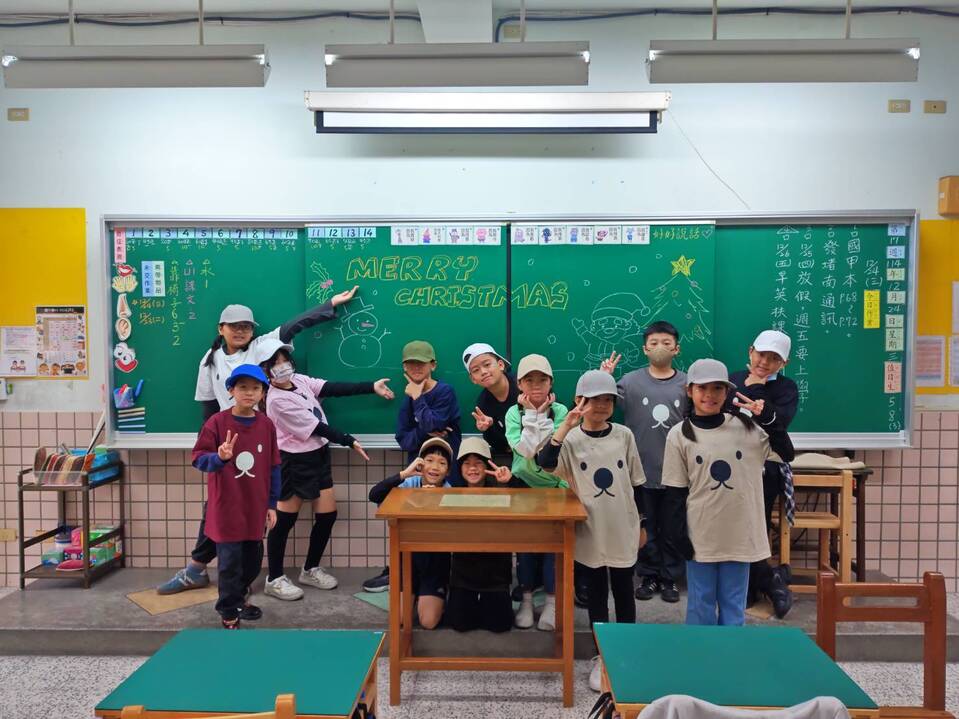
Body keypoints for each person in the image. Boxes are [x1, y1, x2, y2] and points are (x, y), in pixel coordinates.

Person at [158, 288, 359, 595]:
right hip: (227, 443)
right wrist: (210, 447)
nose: (241, 331)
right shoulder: (209, 361)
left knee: (256, 506)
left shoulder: (261, 347)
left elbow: (294, 325)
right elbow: (208, 408)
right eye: (234, 326)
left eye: (246, 326)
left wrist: (329, 304)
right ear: (221, 329)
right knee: (219, 507)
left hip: (260, 439)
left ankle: (240, 577)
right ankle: (200, 571)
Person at [661, 358, 794, 627]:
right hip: (701, 535)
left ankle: (731, 651)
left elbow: (786, 453)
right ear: (689, 391)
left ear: (727, 392)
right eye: (702, 388)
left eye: (717, 388)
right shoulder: (679, 434)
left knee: (734, 604)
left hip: (739, 535)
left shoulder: (747, 428)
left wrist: (769, 419)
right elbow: (675, 491)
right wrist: (678, 535)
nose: (709, 395)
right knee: (701, 603)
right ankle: (701, 652)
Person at [259, 340, 394, 600]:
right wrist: (348, 440)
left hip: (318, 455)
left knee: (327, 515)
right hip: (294, 461)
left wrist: (371, 386)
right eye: (275, 363)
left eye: (284, 360)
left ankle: (310, 569)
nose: (282, 366)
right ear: (265, 369)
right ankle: (274, 578)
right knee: (284, 521)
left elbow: (331, 388)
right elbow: (315, 426)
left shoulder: (298, 380)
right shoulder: (276, 400)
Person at [537, 370, 645, 692]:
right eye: (594, 399)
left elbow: (638, 483)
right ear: (579, 401)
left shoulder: (624, 435)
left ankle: (627, 651)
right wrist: (564, 427)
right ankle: (602, 655)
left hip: (623, 525)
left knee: (624, 591)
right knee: (596, 594)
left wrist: (643, 524)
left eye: (608, 400)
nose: (601, 405)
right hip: (590, 529)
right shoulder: (570, 439)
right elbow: (544, 463)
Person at [363, 340, 461, 593]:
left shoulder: (444, 392)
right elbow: (404, 439)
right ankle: (400, 571)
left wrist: (418, 398)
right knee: (407, 524)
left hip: (444, 473)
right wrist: (426, 430)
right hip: (416, 472)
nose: (416, 367)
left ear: (433, 365)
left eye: (421, 363)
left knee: (438, 528)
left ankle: (438, 579)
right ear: (404, 366)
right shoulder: (408, 398)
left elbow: (432, 424)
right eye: (410, 363)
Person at [600, 321, 688, 604]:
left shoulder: (688, 384)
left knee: (673, 528)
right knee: (645, 528)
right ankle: (648, 576)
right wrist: (604, 378)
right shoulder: (629, 382)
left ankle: (670, 578)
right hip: (638, 472)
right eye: (654, 343)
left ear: (676, 349)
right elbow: (601, 405)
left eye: (666, 343)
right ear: (644, 349)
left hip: (676, 473)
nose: (660, 347)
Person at [191, 364, 280, 629]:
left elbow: (274, 466)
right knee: (229, 563)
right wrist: (219, 457)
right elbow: (198, 458)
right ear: (231, 390)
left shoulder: (266, 425)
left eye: (255, 388)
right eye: (242, 387)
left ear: (263, 393)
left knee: (252, 562)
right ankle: (228, 610)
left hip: (255, 507)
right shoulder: (217, 423)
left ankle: (239, 598)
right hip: (226, 507)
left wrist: (272, 504)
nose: (249, 393)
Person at [725, 329, 799, 619]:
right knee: (731, 525)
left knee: (756, 526)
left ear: (784, 363)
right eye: (761, 354)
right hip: (727, 465)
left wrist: (756, 388)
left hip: (765, 467)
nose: (765, 362)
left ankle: (755, 585)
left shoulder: (786, 388)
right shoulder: (730, 380)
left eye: (773, 359)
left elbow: (778, 424)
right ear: (750, 351)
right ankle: (771, 581)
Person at [505, 354, 569, 631]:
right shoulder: (513, 413)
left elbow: (548, 452)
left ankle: (552, 604)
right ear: (519, 384)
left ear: (551, 382)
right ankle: (527, 602)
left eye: (542, 379)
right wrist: (531, 414)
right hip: (523, 488)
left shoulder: (562, 412)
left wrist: (538, 416)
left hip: (555, 489)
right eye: (529, 380)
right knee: (526, 549)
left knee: (554, 549)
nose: (536, 385)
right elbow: (526, 450)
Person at [368, 437, 454, 629]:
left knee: (428, 622)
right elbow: (374, 495)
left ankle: (432, 594)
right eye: (429, 460)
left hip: (434, 565)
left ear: (448, 471)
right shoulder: (408, 484)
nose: (435, 467)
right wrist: (404, 474)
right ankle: (409, 593)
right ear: (420, 464)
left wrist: (434, 502)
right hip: (406, 562)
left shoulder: (450, 492)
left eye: (442, 463)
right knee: (399, 619)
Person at [445, 436, 514, 633]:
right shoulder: (452, 496)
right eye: (467, 463)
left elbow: (528, 501)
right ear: (460, 468)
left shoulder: (502, 493)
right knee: (460, 624)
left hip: (496, 574)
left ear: (487, 466)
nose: (472, 469)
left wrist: (510, 481)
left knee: (500, 625)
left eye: (478, 463)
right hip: (463, 574)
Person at [463, 342, 520, 466]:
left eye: (487, 364)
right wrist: (489, 427)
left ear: (500, 365)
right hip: (515, 459)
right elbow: (499, 446)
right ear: (473, 379)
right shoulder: (482, 404)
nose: (483, 372)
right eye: (476, 370)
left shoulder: (522, 383)